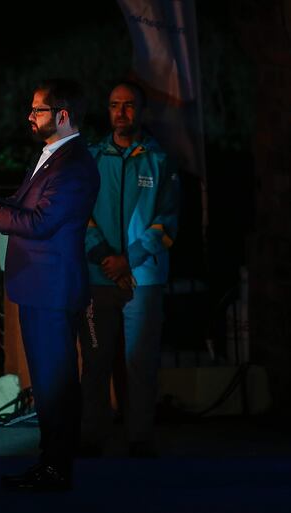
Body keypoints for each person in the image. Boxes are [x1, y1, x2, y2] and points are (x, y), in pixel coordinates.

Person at [0, 79, 99, 491]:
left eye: (38, 110)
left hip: (52, 290)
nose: (30, 117)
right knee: (49, 383)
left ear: (62, 115)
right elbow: (20, 205)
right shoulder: (52, 158)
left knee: (55, 384)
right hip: (39, 287)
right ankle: (50, 464)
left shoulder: (73, 164)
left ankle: (56, 468)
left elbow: (41, 223)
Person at [79, 80, 179, 458]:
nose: (121, 112)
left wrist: (128, 260)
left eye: (129, 105)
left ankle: (138, 437)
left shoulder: (160, 160)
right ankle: (93, 436)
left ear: (142, 110)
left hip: (144, 278)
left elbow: (167, 219)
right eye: (114, 104)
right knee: (95, 361)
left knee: (140, 362)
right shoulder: (90, 159)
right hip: (97, 276)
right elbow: (80, 214)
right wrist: (105, 256)